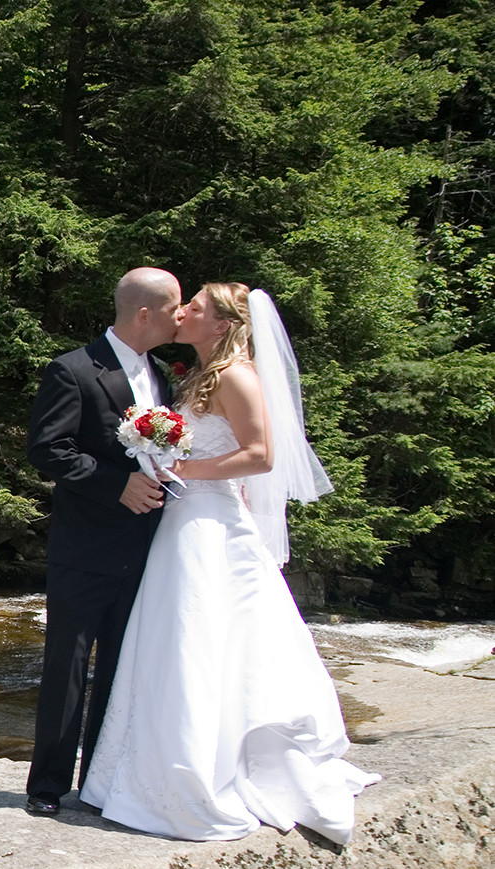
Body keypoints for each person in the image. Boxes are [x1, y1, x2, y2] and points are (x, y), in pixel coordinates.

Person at [78, 282, 379, 843]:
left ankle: (205, 768)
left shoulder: (237, 375)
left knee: (200, 635)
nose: (183, 312)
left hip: (209, 522)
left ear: (220, 325)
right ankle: (142, 770)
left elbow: (261, 455)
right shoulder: (193, 375)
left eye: (195, 307)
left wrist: (183, 471)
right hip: (183, 519)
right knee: (174, 637)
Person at [22, 267, 183, 816]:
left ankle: (99, 782)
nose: (179, 316)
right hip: (85, 546)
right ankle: (46, 786)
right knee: (67, 664)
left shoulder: (162, 375)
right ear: (145, 313)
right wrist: (117, 485)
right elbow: (49, 450)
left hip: (146, 548)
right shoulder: (72, 370)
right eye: (173, 307)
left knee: (122, 666)